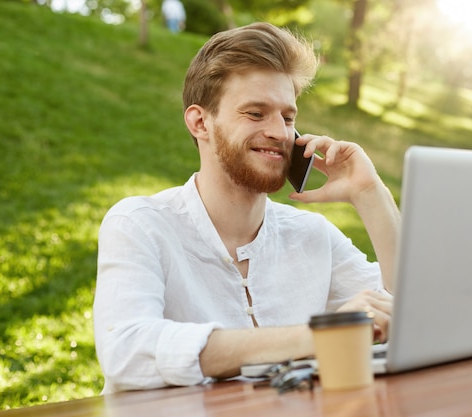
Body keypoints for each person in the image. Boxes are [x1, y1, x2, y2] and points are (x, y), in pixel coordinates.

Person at [93, 22, 399, 394]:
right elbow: (127, 352)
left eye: (288, 117)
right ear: (200, 122)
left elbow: (415, 315)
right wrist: (317, 336)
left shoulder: (313, 236)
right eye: (256, 114)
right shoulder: (140, 225)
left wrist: (371, 194)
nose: (281, 132)